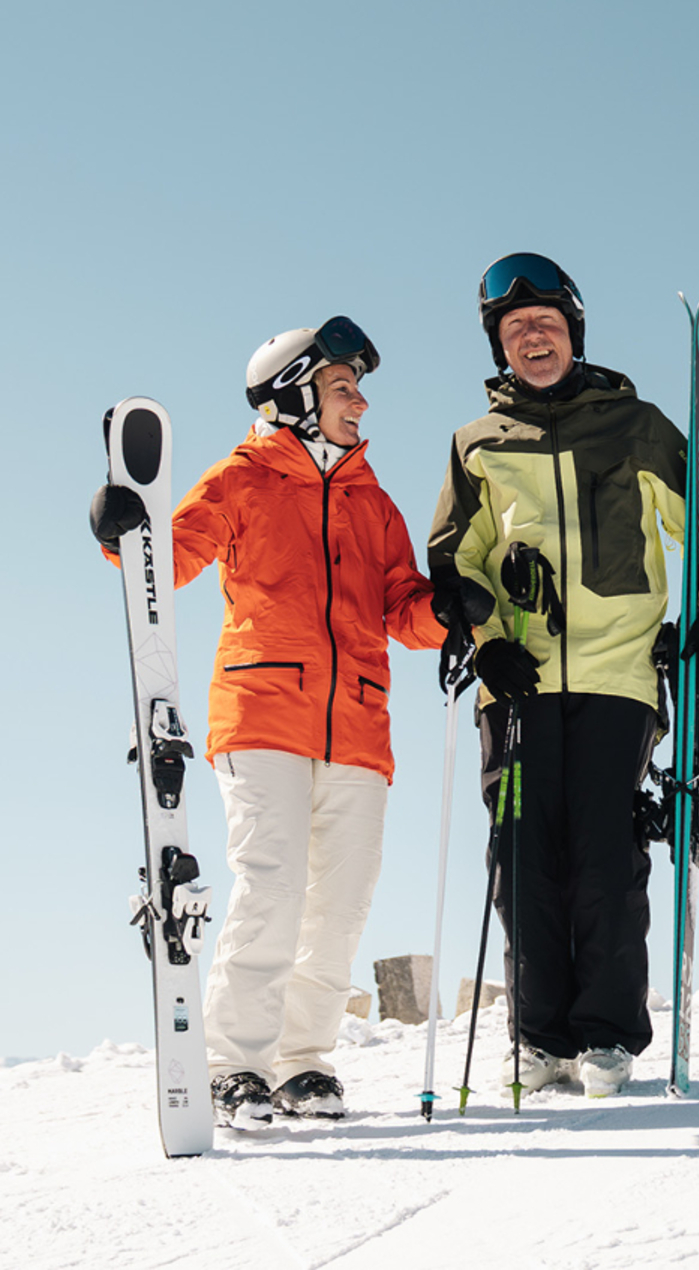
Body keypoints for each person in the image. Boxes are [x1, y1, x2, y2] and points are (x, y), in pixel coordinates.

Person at [89, 318, 445, 1127]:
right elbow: (168, 557)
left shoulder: (372, 500)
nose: (360, 403)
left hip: (358, 725)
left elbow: (402, 610)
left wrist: (449, 611)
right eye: (343, 387)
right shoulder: (244, 479)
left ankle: (305, 1063)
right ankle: (234, 1064)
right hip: (262, 716)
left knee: (342, 902)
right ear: (295, 395)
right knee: (273, 887)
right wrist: (122, 530)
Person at [429, 252, 699, 1100]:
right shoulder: (476, 446)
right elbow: (452, 563)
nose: (534, 339)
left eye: (548, 325)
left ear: (574, 333)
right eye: (516, 329)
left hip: (617, 677)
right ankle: (539, 1038)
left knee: (606, 855)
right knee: (523, 857)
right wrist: (484, 635)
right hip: (519, 682)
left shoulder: (636, 426)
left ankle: (607, 1034)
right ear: (499, 348)